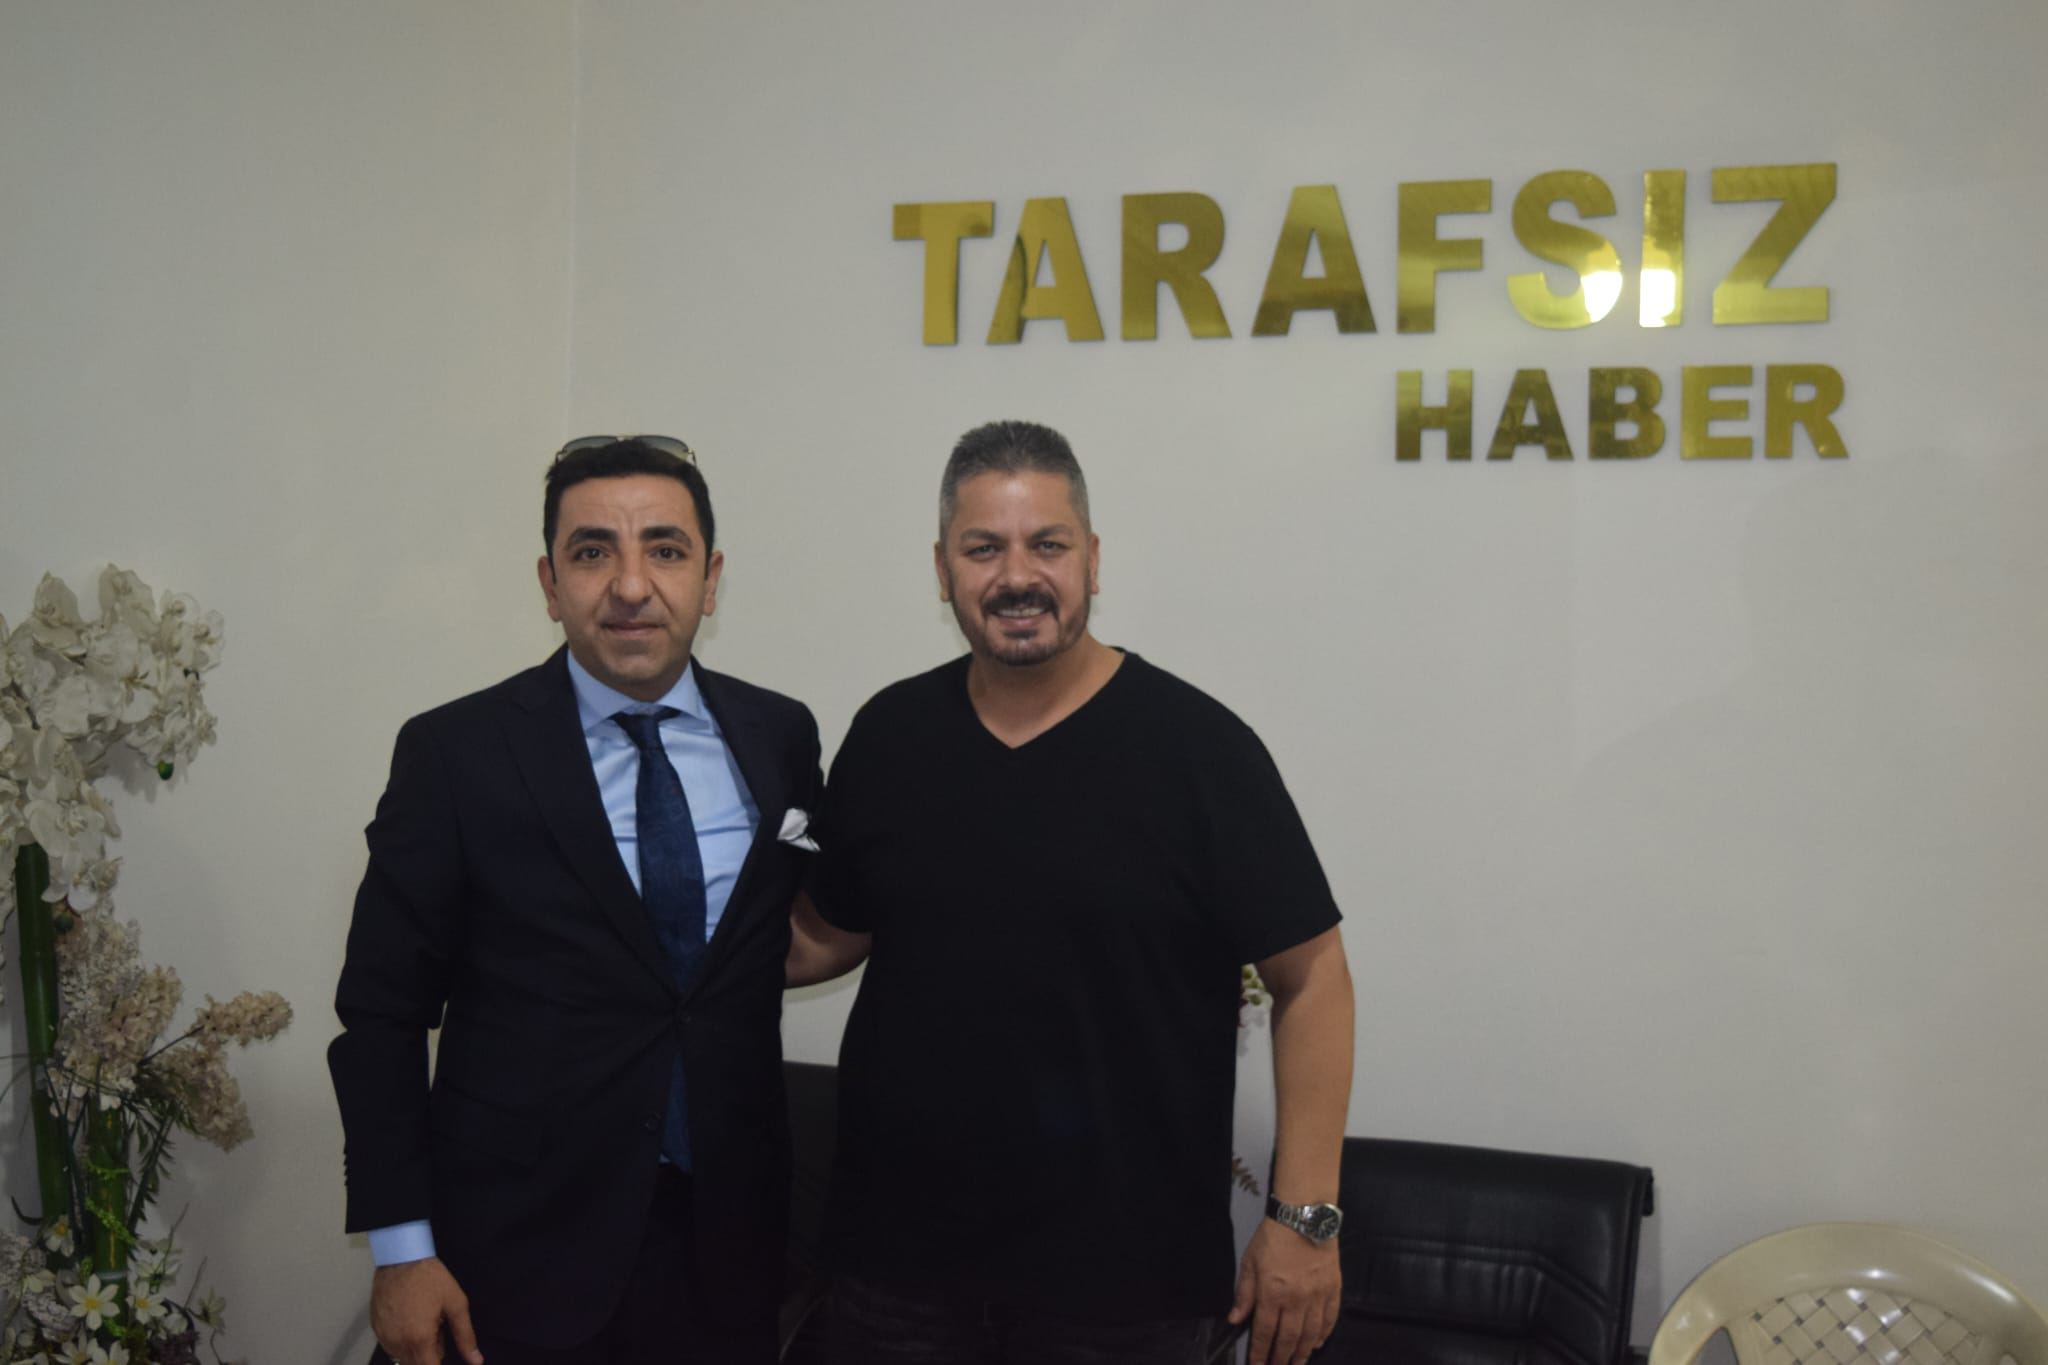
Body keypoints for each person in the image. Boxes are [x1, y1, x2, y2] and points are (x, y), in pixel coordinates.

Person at [787, 420, 1356, 1365]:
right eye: (984, 548)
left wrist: (1305, 1218)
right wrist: (650, 933)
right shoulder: (890, 734)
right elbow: (824, 934)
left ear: (1092, 558)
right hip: (896, 1279)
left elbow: (1314, 975)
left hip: (1125, 1298)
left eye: (1046, 544)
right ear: (942, 569)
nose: (1017, 575)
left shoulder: (1200, 752)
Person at [330, 436, 822, 1365]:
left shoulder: (782, 736)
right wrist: (401, 1247)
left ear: (711, 579)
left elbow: (771, 936)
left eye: (665, 549)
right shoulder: (456, 754)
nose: (631, 585)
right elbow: (381, 1013)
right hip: (515, 1257)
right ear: (550, 584)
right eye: (593, 551)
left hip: (728, 1248)